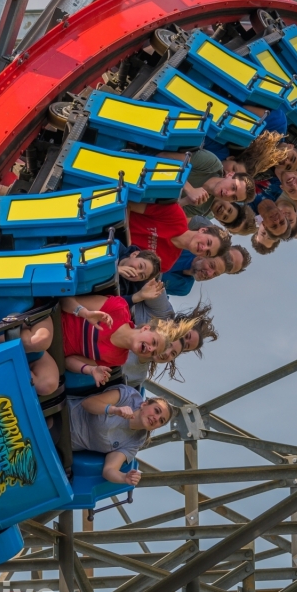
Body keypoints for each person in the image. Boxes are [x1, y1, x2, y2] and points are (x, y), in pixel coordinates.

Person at [59, 295, 197, 386]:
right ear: (145, 329)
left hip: (55, 350)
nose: (150, 349)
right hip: (54, 319)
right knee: (42, 340)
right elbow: (65, 300)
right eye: (153, 342)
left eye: (153, 352)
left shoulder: (118, 359)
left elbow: (68, 361)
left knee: (49, 384)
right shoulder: (119, 309)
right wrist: (85, 313)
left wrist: (90, 370)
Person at [68, 384, 174, 485]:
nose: (156, 418)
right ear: (144, 404)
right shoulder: (128, 396)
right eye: (156, 410)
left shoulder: (136, 441)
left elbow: (109, 470)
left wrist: (124, 477)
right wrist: (114, 410)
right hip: (62, 413)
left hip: (62, 444)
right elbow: (88, 403)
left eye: (161, 420)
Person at [128, 201, 230, 273]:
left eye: (207, 252)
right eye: (208, 242)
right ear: (203, 230)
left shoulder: (165, 264)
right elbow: (129, 204)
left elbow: (128, 266)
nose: (204, 248)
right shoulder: (175, 214)